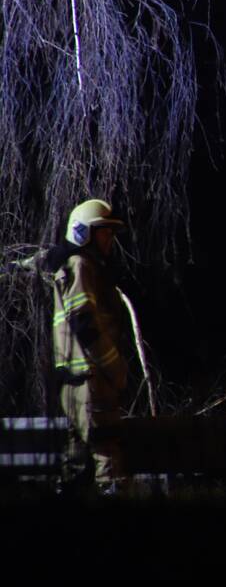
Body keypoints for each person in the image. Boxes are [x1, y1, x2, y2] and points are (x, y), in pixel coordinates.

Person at [49, 199, 130, 493]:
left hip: (73, 382)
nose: (110, 239)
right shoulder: (82, 265)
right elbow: (85, 323)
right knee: (107, 455)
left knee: (75, 465)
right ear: (84, 233)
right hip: (92, 381)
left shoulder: (68, 265)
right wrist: (115, 367)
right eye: (104, 232)